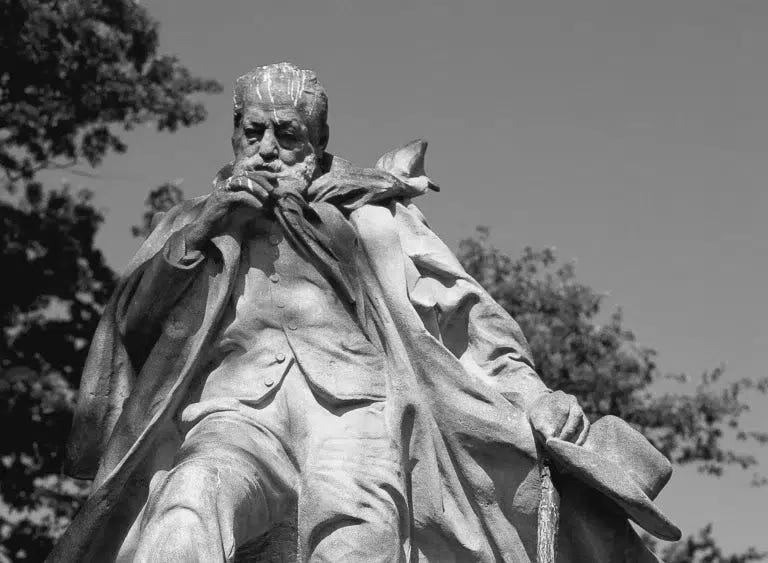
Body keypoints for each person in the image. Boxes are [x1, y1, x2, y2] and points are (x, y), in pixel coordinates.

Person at [50, 63, 669, 562]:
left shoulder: (374, 217)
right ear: (234, 132)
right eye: (252, 131)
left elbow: (466, 317)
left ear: (316, 145)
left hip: (356, 413)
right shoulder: (194, 225)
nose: (266, 148)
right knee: (184, 509)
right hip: (232, 413)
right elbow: (131, 333)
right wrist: (204, 233)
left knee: (354, 538)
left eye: (286, 134)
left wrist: (532, 395)